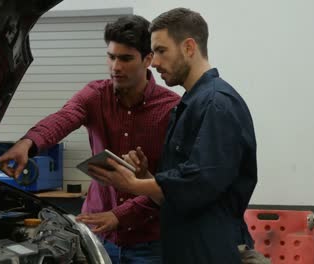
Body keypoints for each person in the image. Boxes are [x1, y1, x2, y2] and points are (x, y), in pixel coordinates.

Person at [0, 15, 180, 263]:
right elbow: (63, 118)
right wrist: (28, 143)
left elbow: (170, 186)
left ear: (147, 59)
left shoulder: (171, 109)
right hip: (97, 235)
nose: (115, 67)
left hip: (150, 242)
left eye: (125, 58)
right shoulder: (95, 94)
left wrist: (119, 215)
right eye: (111, 57)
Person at [88, 8, 258, 264]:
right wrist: (146, 178)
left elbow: (199, 182)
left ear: (189, 47)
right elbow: (175, 192)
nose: (154, 63)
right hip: (185, 247)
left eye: (161, 51)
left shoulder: (216, 104)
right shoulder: (188, 105)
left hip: (211, 250)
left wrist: (133, 185)